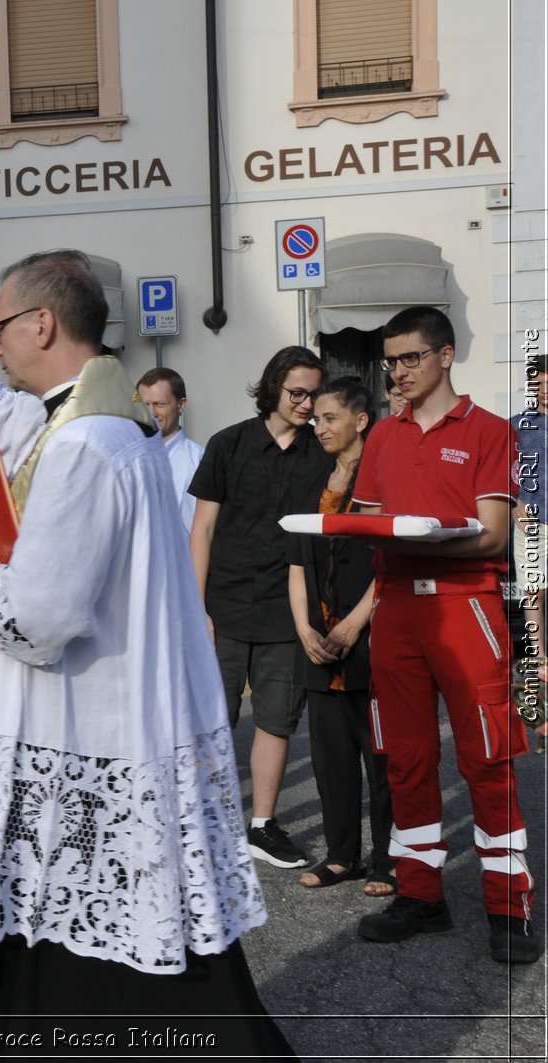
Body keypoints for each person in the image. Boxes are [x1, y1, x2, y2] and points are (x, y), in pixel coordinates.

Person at [0, 255, 288, 1054]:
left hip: (83, 727)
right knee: (39, 910)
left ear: (41, 324)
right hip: (77, 727)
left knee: (63, 914)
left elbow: (40, 619)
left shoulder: (86, 446)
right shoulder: (81, 418)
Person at [353, 306, 538, 964]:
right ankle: (421, 893)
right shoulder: (381, 435)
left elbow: (492, 533)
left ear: (445, 355)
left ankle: (508, 906)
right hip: (398, 605)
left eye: (410, 358)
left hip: (467, 605)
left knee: (487, 759)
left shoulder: (488, 430)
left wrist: (425, 533)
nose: (398, 371)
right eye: (391, 360)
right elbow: (367, 522)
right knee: (404, 758)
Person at [189, 346, 329, 870]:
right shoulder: (229, 444)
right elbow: (201, 529)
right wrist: (196, 608)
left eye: (314, 394)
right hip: (222, 606)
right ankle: (203, 823)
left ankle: (262, 826)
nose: (307, 404)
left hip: (286, 612)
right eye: (298, 393)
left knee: (276, 720)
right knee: (209, 719)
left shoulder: (322, 451)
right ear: (273, 387)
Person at [286, 377, 395, 896]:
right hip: (318, 638)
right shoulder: (313, 477)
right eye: (316, 418)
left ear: (360, 420)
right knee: (330, 760)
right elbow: (293, 559)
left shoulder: (385, 475)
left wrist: (356, 622)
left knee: (383, 758)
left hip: (372, 635)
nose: (318, 425)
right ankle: (342, 856)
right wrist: (304, 626)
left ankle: (390, 860)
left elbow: (394, 560)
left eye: (329, 417)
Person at [137, 367, 204, 536]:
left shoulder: (198, 461)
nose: (151, 414)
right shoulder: (126, 457)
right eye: (145, 405)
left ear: (181, 405)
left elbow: (202, 531)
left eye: (160, 404)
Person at [513, 356, 544, 657]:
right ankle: (540, 658)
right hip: (531, 520)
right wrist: (513, 504)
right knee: (534, 591)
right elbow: (500, 470)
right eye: (539, 383)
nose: (545, 389)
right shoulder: (516, 426)